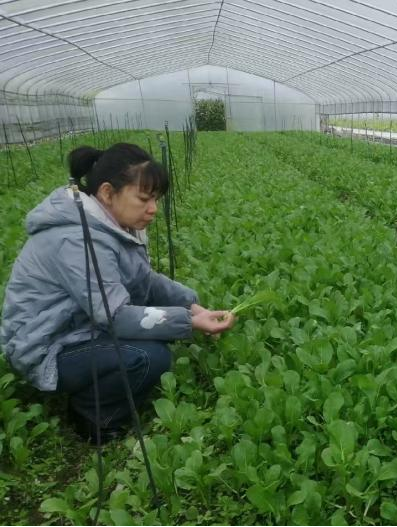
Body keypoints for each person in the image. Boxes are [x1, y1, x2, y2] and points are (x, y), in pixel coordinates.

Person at [1, 143, 236, 443]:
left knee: (154, 334)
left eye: (156, 199)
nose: (153, 209)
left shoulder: (112, 223)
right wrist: (188, 323)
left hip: (79, 326)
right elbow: (114, 316)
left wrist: (192, 306)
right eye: (144, 199)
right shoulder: (77, 239)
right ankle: (93, 416)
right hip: (46, 346)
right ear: (107, 193)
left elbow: (144, 280)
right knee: (149, 357)